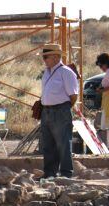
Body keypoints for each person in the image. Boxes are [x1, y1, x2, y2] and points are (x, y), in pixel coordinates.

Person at [39, 43, 79, 179]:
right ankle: (50, 173)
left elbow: (73, 96)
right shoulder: (47, 72)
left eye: (46, 57)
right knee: (48, 144)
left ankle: (66, 174)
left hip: (60, 110)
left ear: (56, 57)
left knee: (63, 144)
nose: (44, 60)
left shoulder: (66, 72)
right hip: (47, 111)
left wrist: (63, 108)